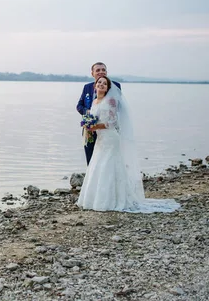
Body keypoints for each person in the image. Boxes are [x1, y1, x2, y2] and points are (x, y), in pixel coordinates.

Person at [76, 76, 180, 213]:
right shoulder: (94, 101)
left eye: (104, 84)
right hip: (100, 138)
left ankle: (112, 199)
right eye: (99, 83)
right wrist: (89, 126)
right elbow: (92, 117)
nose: (101, 85)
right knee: (97, 164)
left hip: (110, 138)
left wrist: (93, 127)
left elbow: (112, 123)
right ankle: (94, 198)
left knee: (109, 164)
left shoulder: (111, 101)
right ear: (95, 86)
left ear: (108, 88)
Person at [77, 62, 121, 165]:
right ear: (92, 73)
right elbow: (79, 106)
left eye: (103, 70)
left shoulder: (115, 86)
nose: (101, 72)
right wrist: (88, 114)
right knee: (91, 158)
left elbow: (118, 108)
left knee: (108, 161)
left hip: (107, 131)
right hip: (90, 130)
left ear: (106, 72)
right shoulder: (87, 87)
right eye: (98, 70)